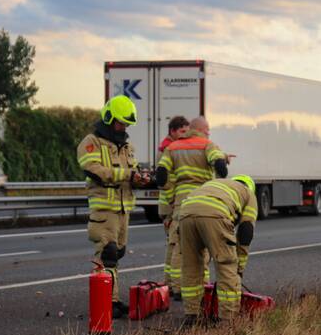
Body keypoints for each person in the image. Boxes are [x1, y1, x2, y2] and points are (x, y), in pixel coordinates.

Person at [77, 96, 150, 318]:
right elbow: (94, 170)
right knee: (106, 254)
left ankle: (112, 299)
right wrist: (128, 174)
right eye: (121, 122)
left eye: (127, 124)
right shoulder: (92, 142)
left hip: (123, 211)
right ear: (109, 118)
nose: (124, 127)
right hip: (104, 211)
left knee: (116, 254)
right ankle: (106, 302)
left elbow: (132, 172)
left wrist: (141, 178)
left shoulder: (127, 147)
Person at [155, 116, 227, 299]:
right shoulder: (207, 144)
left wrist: (168, 200)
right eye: (208, 130)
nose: (209, 133)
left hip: (181, 202)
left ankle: (178, 287)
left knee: (180, 244)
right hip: (203, 199)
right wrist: (221, 167)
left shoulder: (173, 147)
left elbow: (162, 174)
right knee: (201, 244)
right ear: (202, 130)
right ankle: (201, 285)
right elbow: (219, 164)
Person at [176, 176, 257, 326]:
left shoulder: (214, 184)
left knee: (191, 266)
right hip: (216, 213)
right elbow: (246, 232)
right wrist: (239, 268)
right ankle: (227, 319)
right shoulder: (248, 193)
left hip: (185, 214)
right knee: (226, 266)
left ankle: (192, 316)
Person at [157, 115, 189, 288]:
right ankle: (172, 284)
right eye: (182, 131)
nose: (186, 134)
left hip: (171, 203)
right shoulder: (168, 149)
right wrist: (172, 201)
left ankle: (169, 282)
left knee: (173, 243)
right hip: (170, 205)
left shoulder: (169, 147)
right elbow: (165, 179)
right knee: (174, 244)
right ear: (173, 131)